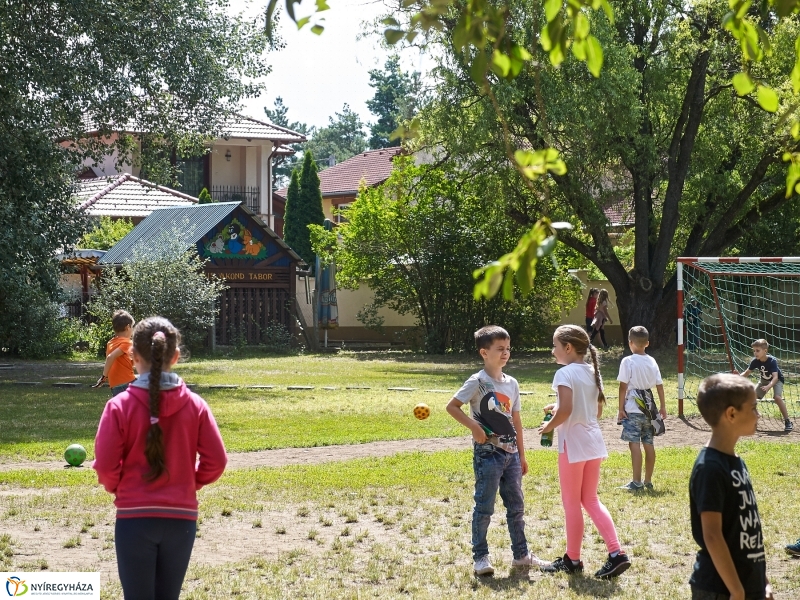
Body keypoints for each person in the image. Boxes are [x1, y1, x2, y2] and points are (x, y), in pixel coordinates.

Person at [93, 316, 227, 600]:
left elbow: (105, 466)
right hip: (181, 518)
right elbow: (217, 461)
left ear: (133, 357)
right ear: (175, 357)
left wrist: (120, 488)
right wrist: (189, 484)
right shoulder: (196, 405)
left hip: (133, 517)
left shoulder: (118, 406)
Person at [445, 325, 547, 576]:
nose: (505, 353)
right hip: (487, 455)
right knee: (484, 506)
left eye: (508, 348)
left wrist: (522, 455)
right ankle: (480, 557)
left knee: (516, 506)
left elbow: (517, 421)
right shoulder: (477, 381)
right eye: (499, 349)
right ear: (484, 352)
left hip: (510, 455)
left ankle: (521, 555)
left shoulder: (512, 383)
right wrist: (474, 428)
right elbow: (452, 407)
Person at [539, 324, 631, 578]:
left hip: (573, 446)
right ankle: (616, 553)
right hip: (593, 442)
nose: (552, 351)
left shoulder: (564, 374)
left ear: (568, 348)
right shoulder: (592, 370)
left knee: (571, 503)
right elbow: (595, 410)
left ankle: (573, 559)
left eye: (555, 346)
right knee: (590, 500)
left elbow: (567, 411)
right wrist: (556, 406)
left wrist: (549, 423)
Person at [689, 374, 773, 600]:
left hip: (747, 584)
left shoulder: (736, 462)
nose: (758, 414)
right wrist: (736, 590)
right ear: (732, 414)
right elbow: (712, 535)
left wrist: (762, 581)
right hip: (720, 589)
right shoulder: (710, 468)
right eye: (754, 408)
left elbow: (748, 531)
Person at [617, 326, 667, 491]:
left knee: (634, 444)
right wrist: (663, 407)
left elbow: (623, 387)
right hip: (650, 408)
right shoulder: (652, 361)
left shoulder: (628, 361)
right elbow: (659, 386)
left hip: (633, 408)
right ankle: (648, 480)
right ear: (647, 343)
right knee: (648, 442)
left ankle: (636, 481)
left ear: (630, 343)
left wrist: (620, 408)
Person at [737, 339, 792, 432]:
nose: (755, 353)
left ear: (765, 351)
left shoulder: (772, 361)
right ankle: (755, 418)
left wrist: (768, 387)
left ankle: (788, 421)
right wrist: (737, 376)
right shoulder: (755, 361)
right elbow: (746, 373)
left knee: (777, 398)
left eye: (757, 350)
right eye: (754, 350)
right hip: (764, 380)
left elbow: (775, 378)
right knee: (751, 398)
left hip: (777, 380)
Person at [94, 310, 136, 396]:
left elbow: (125, 363)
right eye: (133, 327)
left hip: (115, 385)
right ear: (128, 327)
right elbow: (110, 357)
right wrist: (103, 377)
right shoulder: (127, 342)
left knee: (123, 408)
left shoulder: (111, 343)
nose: (133, 330)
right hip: (127, 382)